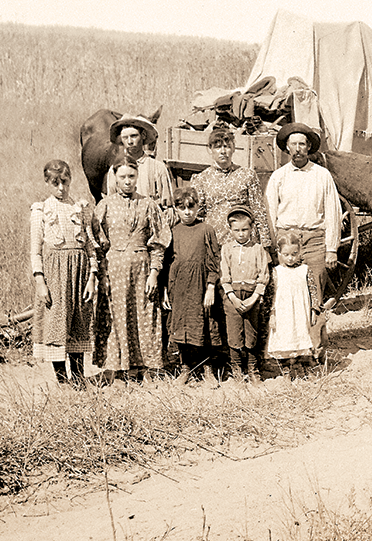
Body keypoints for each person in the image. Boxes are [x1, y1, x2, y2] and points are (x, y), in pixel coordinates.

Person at [92, 155, 172, 383]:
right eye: (123, 176)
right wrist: (101, 273)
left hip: (142, 269)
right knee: (117, 316)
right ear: (115, 178)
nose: (127, 181)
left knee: (145, 314)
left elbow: (159, 241)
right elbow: (96, 242)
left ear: (138, 177)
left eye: (131, 176)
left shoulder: (148, 205)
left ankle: (145, 367)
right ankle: (117, 368)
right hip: (114, 269)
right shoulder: (104, 206)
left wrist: (154, 273)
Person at [263, 122, 341, 350]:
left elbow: (333, 213)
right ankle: (290, 348)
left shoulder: (322, 175)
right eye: (293, 144)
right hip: (287, 241)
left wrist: (331, 248)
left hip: (315, 240)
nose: (297, 149)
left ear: (308, 148)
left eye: (302, 144)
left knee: (314, 296)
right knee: (287, 296)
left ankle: (316, 349)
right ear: (287, 148)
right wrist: (273, 247)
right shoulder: (278, 177)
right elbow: (270, 213)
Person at [30, 159, 96, 388]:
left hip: (79, 273)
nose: (61, 188)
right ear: (48, 183)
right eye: (55, 183)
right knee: (56, 321)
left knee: (78, 319)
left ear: (70, 180)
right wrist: (40, 280)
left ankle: (78, 375)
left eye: (65, 182)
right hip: (55, 274)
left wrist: (92, 277)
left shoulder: (79, 208)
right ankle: (61, 379)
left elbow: (90, 246)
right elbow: (35, 250)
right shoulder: (41, 210)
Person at [165, 187, 222, 385]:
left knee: (203, 326)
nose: (187, 212)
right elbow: (167, 262)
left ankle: (208, 370)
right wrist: (166, 289)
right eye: (182, 208)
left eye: (191, 207)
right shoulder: (173, 231)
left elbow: (214, 259)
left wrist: (211, 286)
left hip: (200, 286)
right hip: (179, 287)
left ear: (198, 207)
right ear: (176, 209)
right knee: (181, 326)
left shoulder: (206, 229)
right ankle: (185, 368)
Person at [191, 125, 274, 250]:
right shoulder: (201, 179)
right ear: (210, 149)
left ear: (234, 148)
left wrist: (265, 245)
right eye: (218, 147)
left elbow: (258, 211)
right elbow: (198, 215)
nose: (223, 151)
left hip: (245, 244)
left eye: (227, 146)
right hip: (216, 244)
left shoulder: (247, 175)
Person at [220, 205, 271, 383]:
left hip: (252, 297)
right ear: (230, 230)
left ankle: (253, 368)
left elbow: (263, 276)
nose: (241, 234)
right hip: (232, 297)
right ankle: (236, 370)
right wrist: (232, 297)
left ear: (251, 229)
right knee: (234, 333)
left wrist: (254, 298)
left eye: (245, 230)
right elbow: (224, 276)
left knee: (251, 333)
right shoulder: (226, 249)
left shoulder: (258, 249)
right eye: (237, 230)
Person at [266, 229, 321, 373]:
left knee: (301, 335)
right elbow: (272, 295)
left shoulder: (305, 270)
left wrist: (314, 310)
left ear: (300, 251)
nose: (290, 258)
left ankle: (302, 365)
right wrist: (272, 314)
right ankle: (285, 367)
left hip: (301, 311)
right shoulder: (277, 271)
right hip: (284, 312)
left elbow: (313, 291)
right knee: (285, 336)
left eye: (294, 254)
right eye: (286, 255)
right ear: (279, 253)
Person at [104, 114, 175, 216]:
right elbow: (111, 205)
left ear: (143, 136)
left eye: (134, 136)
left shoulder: (157, 168)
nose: (129, 142)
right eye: (125, 138)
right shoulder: (115, 170)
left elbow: (169, 208)